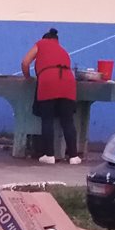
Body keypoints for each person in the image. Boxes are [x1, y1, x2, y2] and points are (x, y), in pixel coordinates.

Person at [22, 28, 81, 165]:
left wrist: (27, 77)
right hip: (68, 82)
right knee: (67, 120)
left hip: (48, 81)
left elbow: (25, 62)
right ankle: (73, 156)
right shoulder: (64, 51)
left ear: (44, 39)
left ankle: (49, 155)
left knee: (47, 119)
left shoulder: (41, 44)